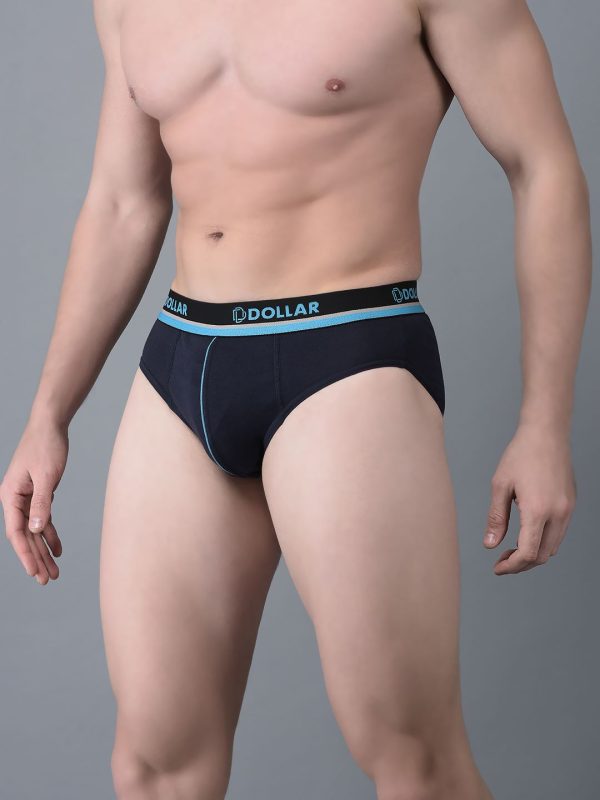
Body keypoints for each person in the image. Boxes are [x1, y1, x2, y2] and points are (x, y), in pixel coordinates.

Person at [0, 0, 591, 797]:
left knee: (413, 761)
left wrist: (544, 422)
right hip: (183, 355)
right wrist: (48, 413)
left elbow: (542, 164)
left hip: (346, 353)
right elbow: (122, 201)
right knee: (154, 767)